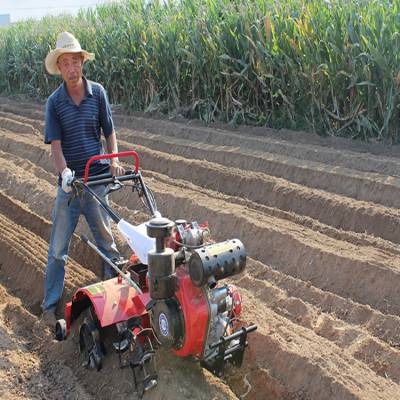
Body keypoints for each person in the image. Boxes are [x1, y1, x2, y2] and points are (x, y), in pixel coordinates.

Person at [41, 31, 125, 327]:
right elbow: (56, 147)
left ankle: (113, 300)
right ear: (60, 68)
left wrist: (113, 159)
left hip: (98, 179)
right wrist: (64, 174)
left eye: (76, 61)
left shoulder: (98, 93)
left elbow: (109, 132)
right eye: (66, 62)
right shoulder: (54, 103)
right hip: (71, 185)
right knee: (57, 250)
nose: (72, 67)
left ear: (82, 63)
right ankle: (49, 306)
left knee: (106, 241)